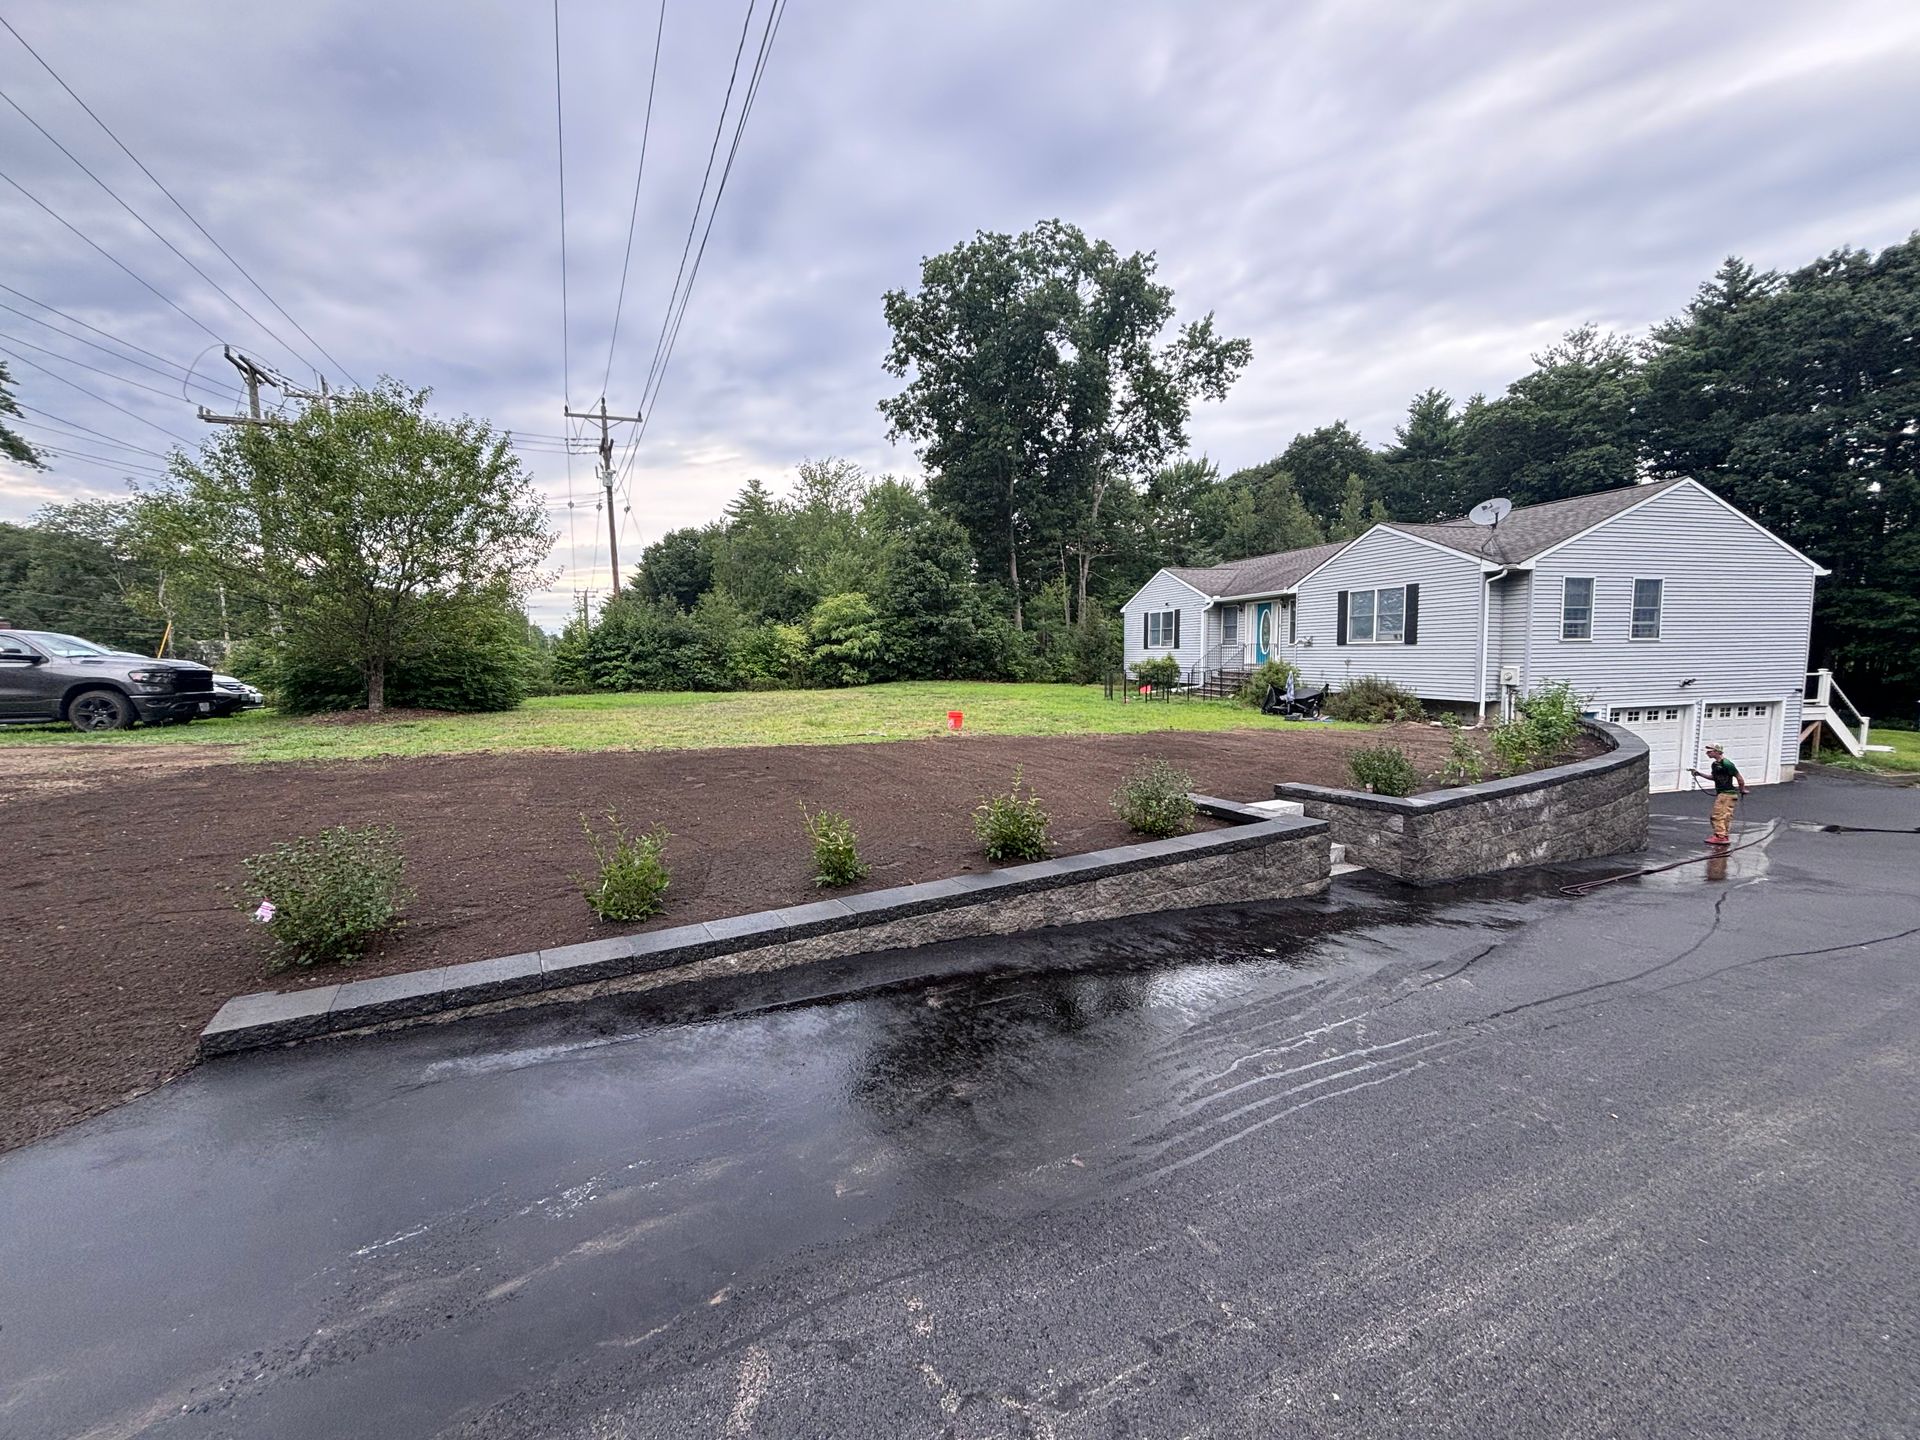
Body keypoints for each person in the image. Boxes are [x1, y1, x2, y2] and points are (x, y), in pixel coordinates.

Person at [1690, 743, 1747, 845]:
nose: (1707, 753)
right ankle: (1724, 835)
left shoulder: (1727, 764)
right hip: (1724, 794)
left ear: (1717, 752)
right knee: (1725, 815)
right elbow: (1714, 778)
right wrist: (1699, 774)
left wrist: (1742, 789)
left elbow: (1739, 778)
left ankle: (1720, 836)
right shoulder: (1715, 765)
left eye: (1710, 751)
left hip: (1726, 794)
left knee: (1717, 815)